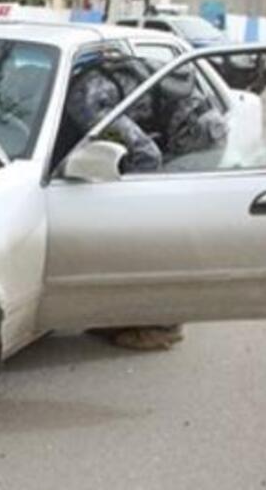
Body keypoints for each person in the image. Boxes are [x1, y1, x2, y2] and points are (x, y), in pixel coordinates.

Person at [62, 51, 229, 351]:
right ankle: (125, 316)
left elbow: (145, 155)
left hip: (196, 141)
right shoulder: (84, 89)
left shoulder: (83, 100)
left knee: (157, 239)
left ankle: (162, 327)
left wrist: (133, 206)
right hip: (184, 131)